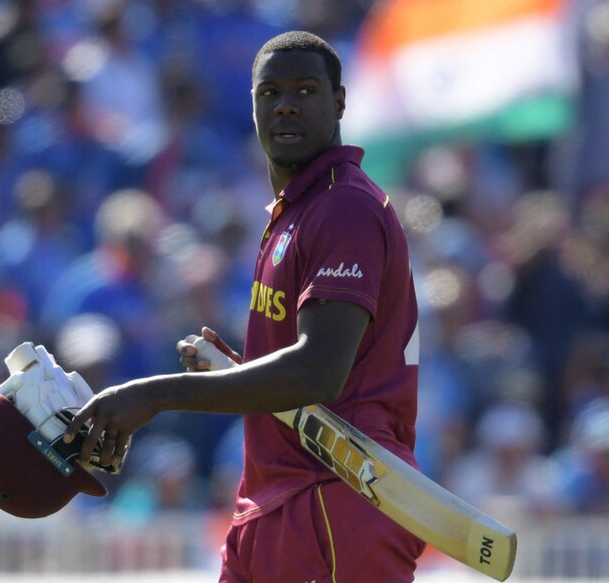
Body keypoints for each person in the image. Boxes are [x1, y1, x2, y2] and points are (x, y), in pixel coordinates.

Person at [62, 31, 425, 582]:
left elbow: (319, 371)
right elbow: (310, 367)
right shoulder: (296, 210)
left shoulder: (345, 207)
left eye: (306, 90)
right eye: (270, 92)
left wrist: (154, 395)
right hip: (273, 499)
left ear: (341, 103)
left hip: (338, 499)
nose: (285, 104)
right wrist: (234, 371)